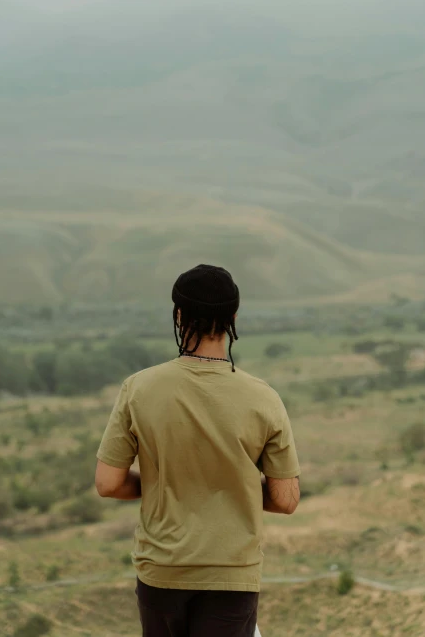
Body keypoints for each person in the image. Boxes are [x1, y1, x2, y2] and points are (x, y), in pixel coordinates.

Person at [95, 264, 300, 637]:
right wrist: (231, 483)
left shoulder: (138, 388)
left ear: (178, 315)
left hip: (162, 570)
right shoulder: (264, 398)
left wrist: (165, 482)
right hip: (232, 574)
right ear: (233, 318)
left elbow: (108, 483)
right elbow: (286, 499)